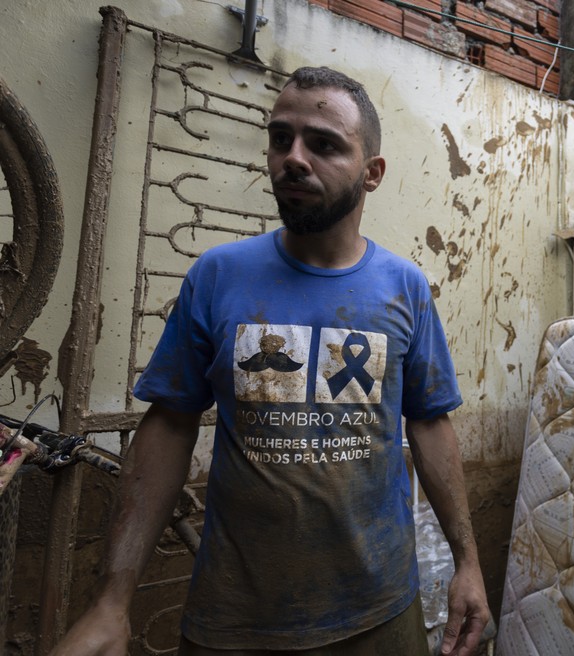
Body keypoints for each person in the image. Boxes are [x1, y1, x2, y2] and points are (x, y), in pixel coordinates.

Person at [52, 66, 490, 656]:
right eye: (280, 138)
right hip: (235, 620)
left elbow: (430, 422)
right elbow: (170, 424)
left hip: (382, 611)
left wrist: (468, 562)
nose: (294, 158)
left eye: (324, 144)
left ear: (373, 173)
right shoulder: (217, 275)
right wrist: (113, 598)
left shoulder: (404, 287)